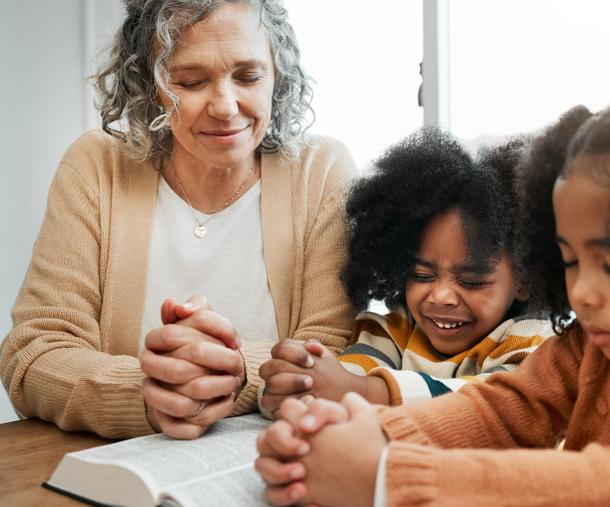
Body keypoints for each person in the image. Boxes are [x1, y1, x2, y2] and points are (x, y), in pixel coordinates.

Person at [254, 66, 610, 506]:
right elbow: (507, 407)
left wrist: (386, 477)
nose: (583, 292)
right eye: (569, 260)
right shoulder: (592, 350)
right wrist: (365, 439)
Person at [0, 0, 357, 440]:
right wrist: (148, 394)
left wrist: (238, 373)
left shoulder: (320, 170)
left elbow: (338, 348)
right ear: (147, 86)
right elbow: (35, 353)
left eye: (248, 76)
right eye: (190, 81)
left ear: (277, 77)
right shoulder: (95, 166)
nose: (226, 106)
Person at [258, 129, 552, 414]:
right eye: (422, 275)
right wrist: (301, 383)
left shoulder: (531, 340)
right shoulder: (393, 331)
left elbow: (491, 400)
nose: (442, 296)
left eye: (471, 281)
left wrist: (366, 391)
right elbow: (349, 375)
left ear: (524, 278)